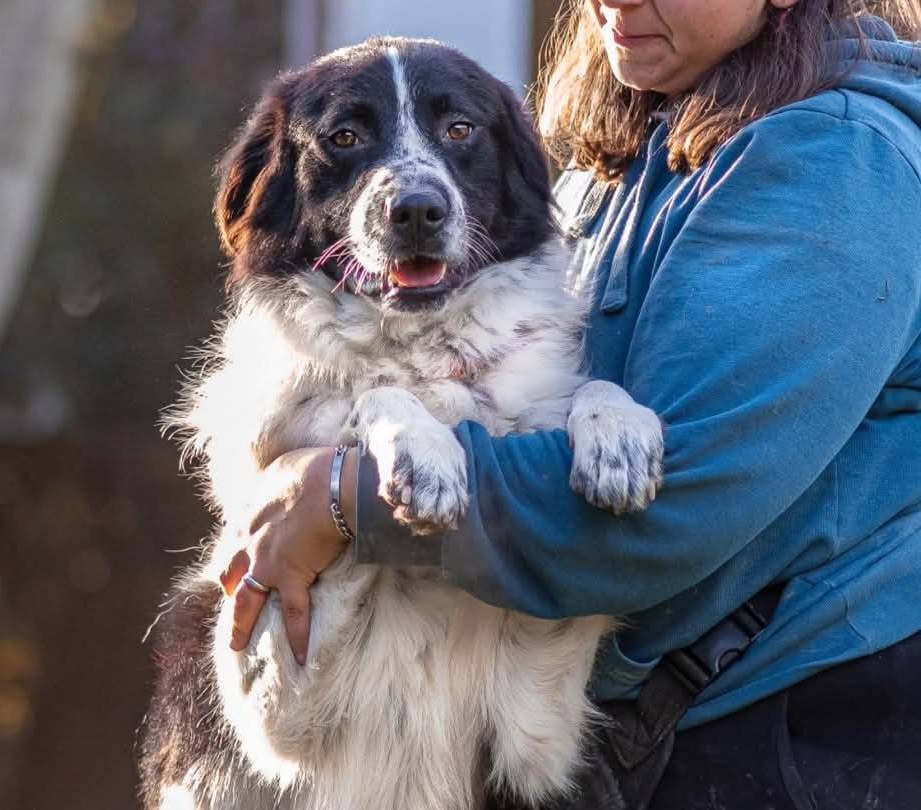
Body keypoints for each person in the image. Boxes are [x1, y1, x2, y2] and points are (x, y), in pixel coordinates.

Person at [218, 0, 921, 806]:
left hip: (797, 732)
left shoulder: (834, 160)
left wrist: (340, 498)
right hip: (652, 735)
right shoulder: (630, 149)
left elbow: (672, 505)